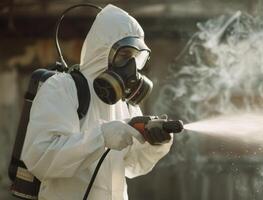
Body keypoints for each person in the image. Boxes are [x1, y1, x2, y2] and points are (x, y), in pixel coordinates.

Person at [22, 4, 172, 200]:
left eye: (135, 58)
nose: (131, 66)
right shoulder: (63, 88)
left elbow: (132, 165)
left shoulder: (124, 102)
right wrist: (101, 137)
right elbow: (40, 157)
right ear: (103, 51)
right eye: (125, 55)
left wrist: (153, 143)